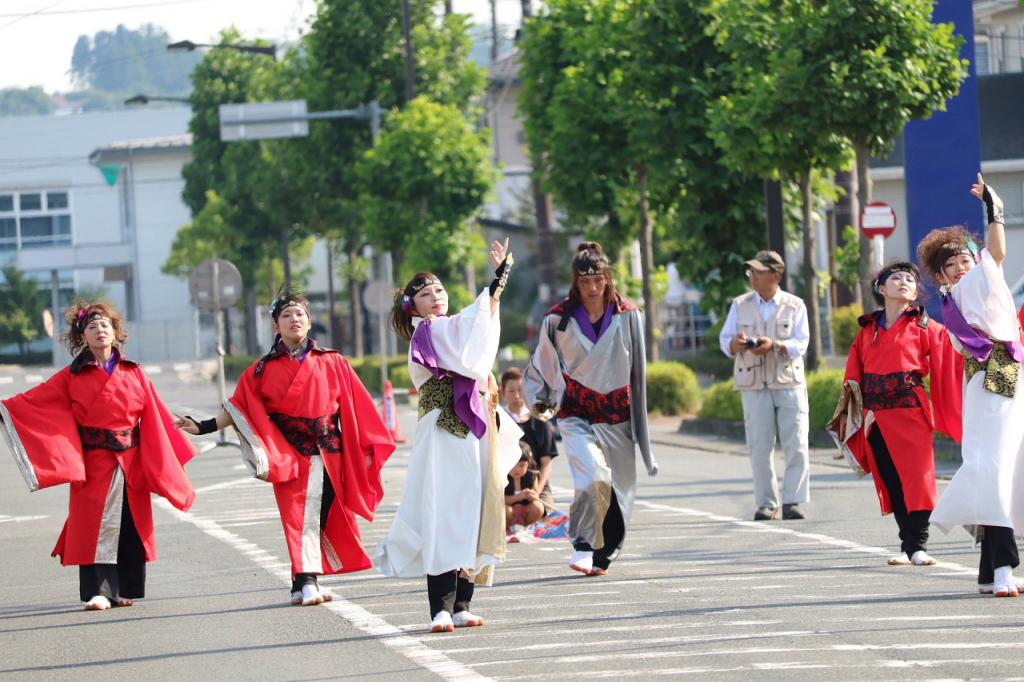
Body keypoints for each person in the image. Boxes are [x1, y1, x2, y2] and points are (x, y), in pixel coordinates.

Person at [176, 290, 394, 607]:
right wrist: (203, 426)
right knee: (298, 517)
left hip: (331, 453)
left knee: (322, 516)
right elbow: (239, 409)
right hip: (292, 453)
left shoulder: (332, 361)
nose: (295, 320)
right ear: (275, 325)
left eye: (300, 314)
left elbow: (357, 406)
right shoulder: (261, 370)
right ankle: (307, 582)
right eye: (287, 315)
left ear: (310, 322)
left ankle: (300, 582)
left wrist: (366, 446)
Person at [0, 301, 196, 611]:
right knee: (92, 526)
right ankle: (99, 591)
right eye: (92, 326)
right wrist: (5, 409)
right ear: (83, 336)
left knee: (129, 524)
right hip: (94, 461)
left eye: (105, 325)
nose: (100, 330)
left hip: (130, 460)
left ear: (115, 332)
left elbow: (156, 414)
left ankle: (124, 589)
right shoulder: (71, 376)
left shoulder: (135, 372)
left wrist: (179, 438)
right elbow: (35, 400)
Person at [376, 238, 523, 633]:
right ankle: (440, 607)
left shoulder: (453, 327)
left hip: (472, 429)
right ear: (414, 307)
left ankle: (461, 604)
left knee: (472, 508)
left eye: (439, 290)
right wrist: (496, 283)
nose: (436, 297)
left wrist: (496, 287)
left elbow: (481, 326)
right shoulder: (428, 333)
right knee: (442, 510)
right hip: (442, 430)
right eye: (426, 294)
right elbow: (474, 328)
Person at [524, 241, 658, 578]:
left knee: (620, 489)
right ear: (576, 282)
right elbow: (542, 363)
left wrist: (640, 420)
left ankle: (603, 553)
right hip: (576, 411)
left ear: (608, 278)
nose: (593, 288)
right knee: (592, 476)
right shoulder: (558, 319)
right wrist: (540, 399)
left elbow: (638, 371)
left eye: (599, 280)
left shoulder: (628, 315)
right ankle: (584, 544)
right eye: (585, 282)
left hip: (617, 413)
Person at [919, 174, 1024, 597]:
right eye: (951, 264)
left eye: (965, 258)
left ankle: (987, 572)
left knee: (1001, 467)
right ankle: (1002, 568)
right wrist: (995, 208)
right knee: (995, 469)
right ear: (942, 275)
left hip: (1005, 377)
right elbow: (997, 252)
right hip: (993, 379)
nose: (962, 266)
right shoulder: (970, 286)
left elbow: (991, 256)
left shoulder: (970, 287)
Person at [831, 261, 963, 566]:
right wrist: (855, 414)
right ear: (881, 288)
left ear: (915, 293)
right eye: (896, 278)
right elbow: (854, 375)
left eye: (910, 280)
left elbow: (954, 353)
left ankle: (919, 546)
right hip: (876, 416)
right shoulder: (867, 329)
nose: (904, 282)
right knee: (892, 479)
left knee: (918, 479)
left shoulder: (925, 326)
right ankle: (907, 546)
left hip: (911, 411)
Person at [718, 250, 811, 521]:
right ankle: (767, 504)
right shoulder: (739, 304)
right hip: (753, 383)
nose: (753, 277)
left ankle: (792, 501)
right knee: (759, 447)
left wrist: (776, 345)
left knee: (796, 443)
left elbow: (802, 343)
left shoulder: (795, 305)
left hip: (789, 381)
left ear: (776, 276)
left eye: (759, 272)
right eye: (752, 272)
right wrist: (736, 344)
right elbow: (725, 341)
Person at [500, 367, 559, 514]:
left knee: (542, 511)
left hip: (536, 484)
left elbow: (546, 463)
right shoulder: (498, 421)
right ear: (502, 391)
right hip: (504, 486)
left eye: (521, 390)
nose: (517, 396)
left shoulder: (541, 422)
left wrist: (536, 492)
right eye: (511, 391)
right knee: (502, 514)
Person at [505, 447, 545, 530]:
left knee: (538, 507)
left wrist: (532, 495)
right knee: (505, 510)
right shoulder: (502, 477)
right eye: (513, 465)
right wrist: (518, 497)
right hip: (509, 510)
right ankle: (506, 528)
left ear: (528, 463)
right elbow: (500, 499)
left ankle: (526, 527)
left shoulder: (532, 476)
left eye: (522, 465)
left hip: (526, 510)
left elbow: (536, 497)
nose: (517, 469)